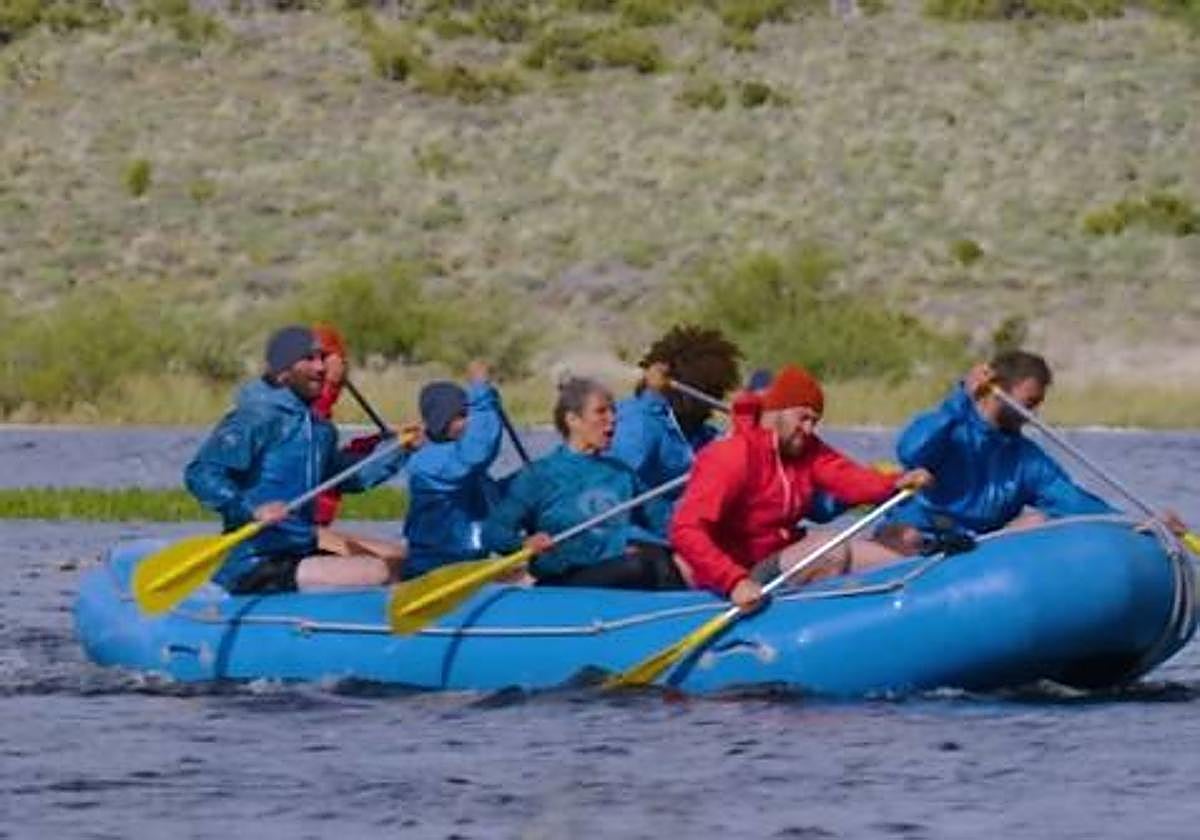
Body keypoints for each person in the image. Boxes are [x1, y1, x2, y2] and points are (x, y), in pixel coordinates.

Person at [670, 364, 933, 610]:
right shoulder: (731, 456)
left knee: (906, 548)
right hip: (744, 571)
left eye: (814, 421)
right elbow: (685, 530)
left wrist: (895, 482)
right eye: (803, 418)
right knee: (828, 550)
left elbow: (850, 478)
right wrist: (734, 581)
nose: (809, 429)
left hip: (783, 554)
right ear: (777, 411)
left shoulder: (807, 449)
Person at [185, 325, 419, 594]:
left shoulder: (319, 429)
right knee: (377, 571)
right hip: (255, 561)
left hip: (300, 548)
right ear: (282, 371)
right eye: (309, 359)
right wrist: (251, 510)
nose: (321, 368)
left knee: (401, 562)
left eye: (322, 358)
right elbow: (201, 474)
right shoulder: (254, 418)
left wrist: (403, 450)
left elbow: (350, 478)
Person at [877, 350, 1114, 554]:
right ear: (996, 390)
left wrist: (1124, 522)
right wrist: (962, 398)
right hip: (918, 539)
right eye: (1028, 404)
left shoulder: (1025, 458)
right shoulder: (949, 429)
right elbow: (910, 451)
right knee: (909, 537)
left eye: (1036, 406)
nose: (1032, 416)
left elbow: (1069, 499)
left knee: (1039, 521)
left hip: (976, 550)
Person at [482, 377, 687, 590]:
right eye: (601, 412)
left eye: (613, 411)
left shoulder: (621, 472)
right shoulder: (539, 475)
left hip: (625, 573)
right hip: (567, 583)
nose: (613, 419)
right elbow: (494, 532)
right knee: (639, 565)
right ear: (573, 419)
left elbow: (664, 522)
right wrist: (523, 543)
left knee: (661, 558)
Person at [607, 325, 742, 537]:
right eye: (711, 393)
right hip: (643, 543)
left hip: (685, 537)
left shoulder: (701, 435)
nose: (713, 408)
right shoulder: (637, 426)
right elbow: (609, 496)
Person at [309, 323, 408, 577]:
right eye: (324, 360)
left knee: (401, 557)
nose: (338, 367)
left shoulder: (318, 419)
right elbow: (308, 441)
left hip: (312, 530)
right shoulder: (299, 417)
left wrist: (391, 444)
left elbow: (338, 464)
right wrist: (329, 387)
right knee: (394, 564)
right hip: (292, 530)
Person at [402, 360, 506, 579]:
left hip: (472, 562)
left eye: (468, 414)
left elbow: (496, 498)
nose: (468, 422)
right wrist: (480, 390)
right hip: (433, 567)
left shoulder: (471, 469)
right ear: (441, 422)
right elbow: (478, 450)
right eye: (460, 417)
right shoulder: (428, 462)